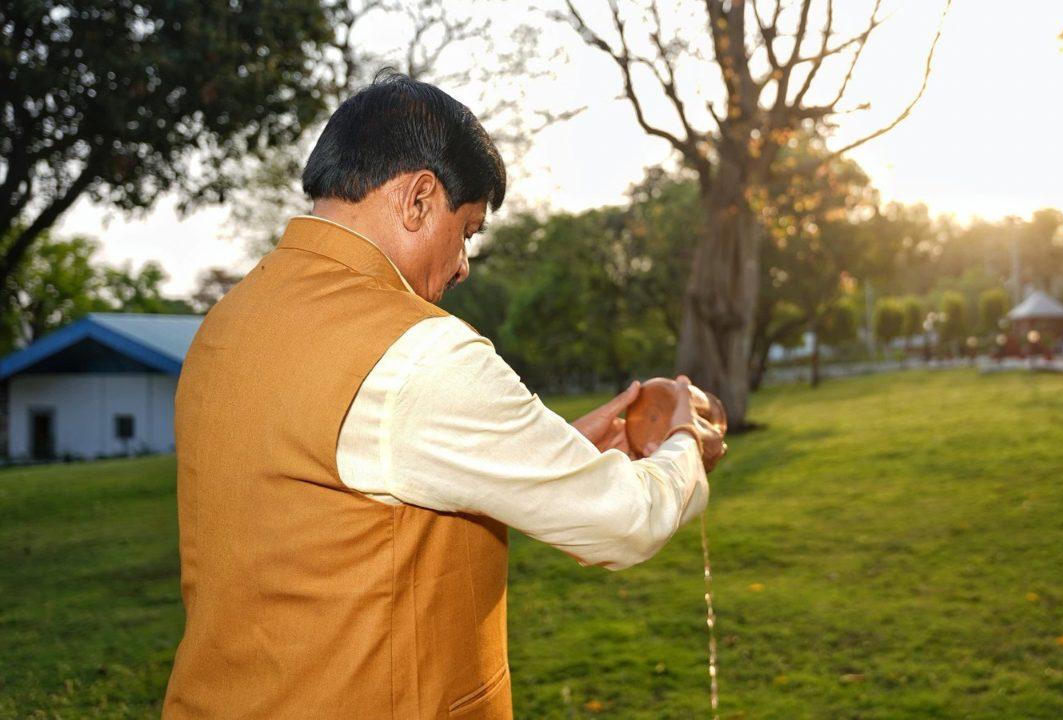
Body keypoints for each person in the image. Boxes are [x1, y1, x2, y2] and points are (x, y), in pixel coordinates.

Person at [161, 70, 727, 720]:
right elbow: (623, 522)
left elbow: (350, 485)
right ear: (419, 199)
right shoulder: (417, 352)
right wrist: (685, 439)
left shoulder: (228, 322)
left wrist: (560, 448)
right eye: (468, 231)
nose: (462, 264)